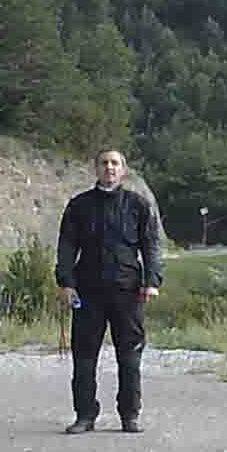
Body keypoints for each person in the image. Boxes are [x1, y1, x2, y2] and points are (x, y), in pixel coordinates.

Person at [54, 147, 165, 433]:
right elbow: (67, 246)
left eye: (115, 163)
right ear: (96, 169)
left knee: (129, 356)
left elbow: (151, 245)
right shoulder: (79, 206)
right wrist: (65, 282)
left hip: (127, 291)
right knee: (84, 356)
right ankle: (85, 415)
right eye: (104, 163)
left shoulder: (138, 205)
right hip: (88, 291)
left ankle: (130, 415)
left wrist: (152, 281)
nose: (109, 167)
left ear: (123, 170)